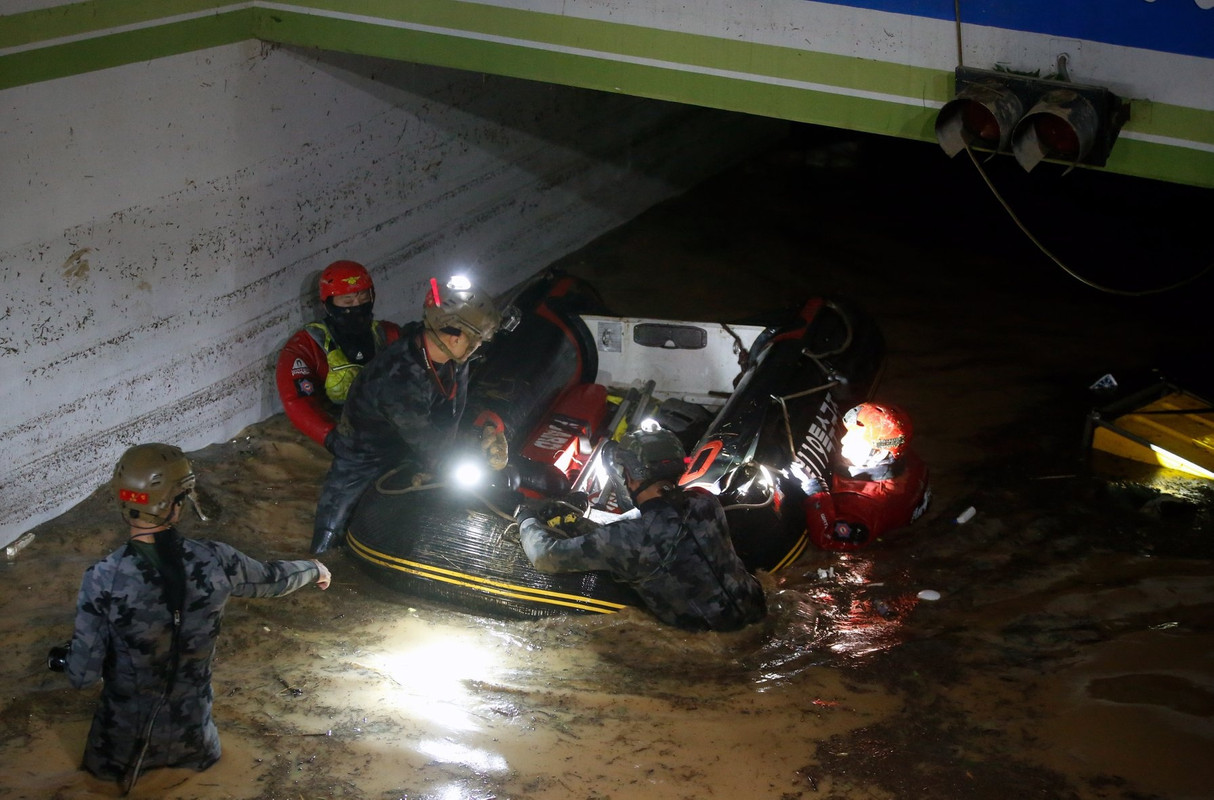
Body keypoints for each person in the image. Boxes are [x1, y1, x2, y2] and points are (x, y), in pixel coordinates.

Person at [48, 443, 331, 791]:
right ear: (177, 502)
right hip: (194, 740)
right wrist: (313, 568)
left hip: (119, 752)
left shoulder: (103, 577)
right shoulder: (217, 560)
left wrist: (66, 658)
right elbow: (273, 580)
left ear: (121, 500)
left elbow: (82, 676)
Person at [310, 275, 510, 554]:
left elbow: (452, 412)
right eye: (476, 340)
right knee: (334, 535)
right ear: (453, 336)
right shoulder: (398, 379)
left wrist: (482, 431)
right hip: (366, 456)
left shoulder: (453, 358)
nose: (478, 347)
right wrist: (466, 461)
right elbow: (428, 443)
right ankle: (325, 548)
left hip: (411, 443)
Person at [514, 428, 766, 632]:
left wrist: (526, 519)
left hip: (711, 638)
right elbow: (659, 523)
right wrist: (578, 523)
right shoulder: (705, 501)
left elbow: (545, 556)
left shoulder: (627, 539)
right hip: (758, 611)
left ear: (632, 476)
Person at [276, 260, 403, 451]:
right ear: (329, 304)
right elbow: (297, 400)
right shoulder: (305, 346)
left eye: (363, 298)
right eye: (347, 301)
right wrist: (332, 438)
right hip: (338, 429)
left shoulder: (389, 334)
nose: (357, 306)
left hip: (388, 423)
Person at [804, 401, 931, 551]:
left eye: (856, 440)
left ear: (879, 453)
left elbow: (828, 539)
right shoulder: (903, 456)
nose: (844, 441)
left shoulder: (865, 506)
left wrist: (816, 495)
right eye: (848, 433)